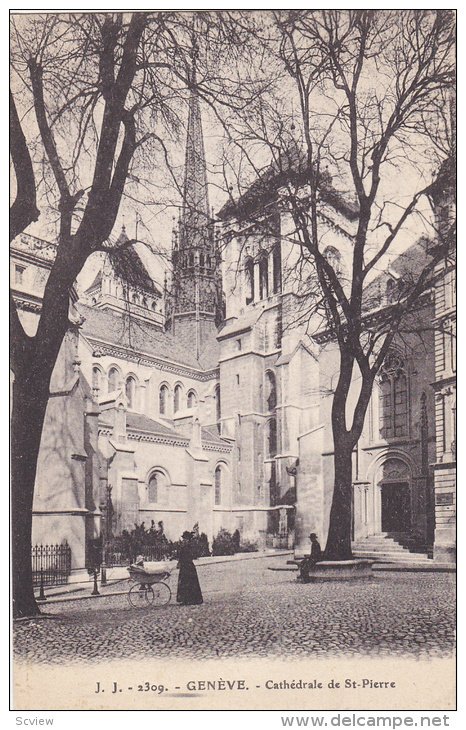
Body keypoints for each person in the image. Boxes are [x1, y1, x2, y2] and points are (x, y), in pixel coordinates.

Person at [176, 531, 203, 605]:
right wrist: (179, 562)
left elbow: (192, 555)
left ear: (188, 539)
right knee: (184, 583)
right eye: (183, 539)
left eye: (185, 539)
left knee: (190, 583)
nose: (184, 540)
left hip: (189, 567)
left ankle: (192, 600)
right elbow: (180, 556)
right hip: (184, 567)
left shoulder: (190, 546)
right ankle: (185, 600)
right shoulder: (183, 546)